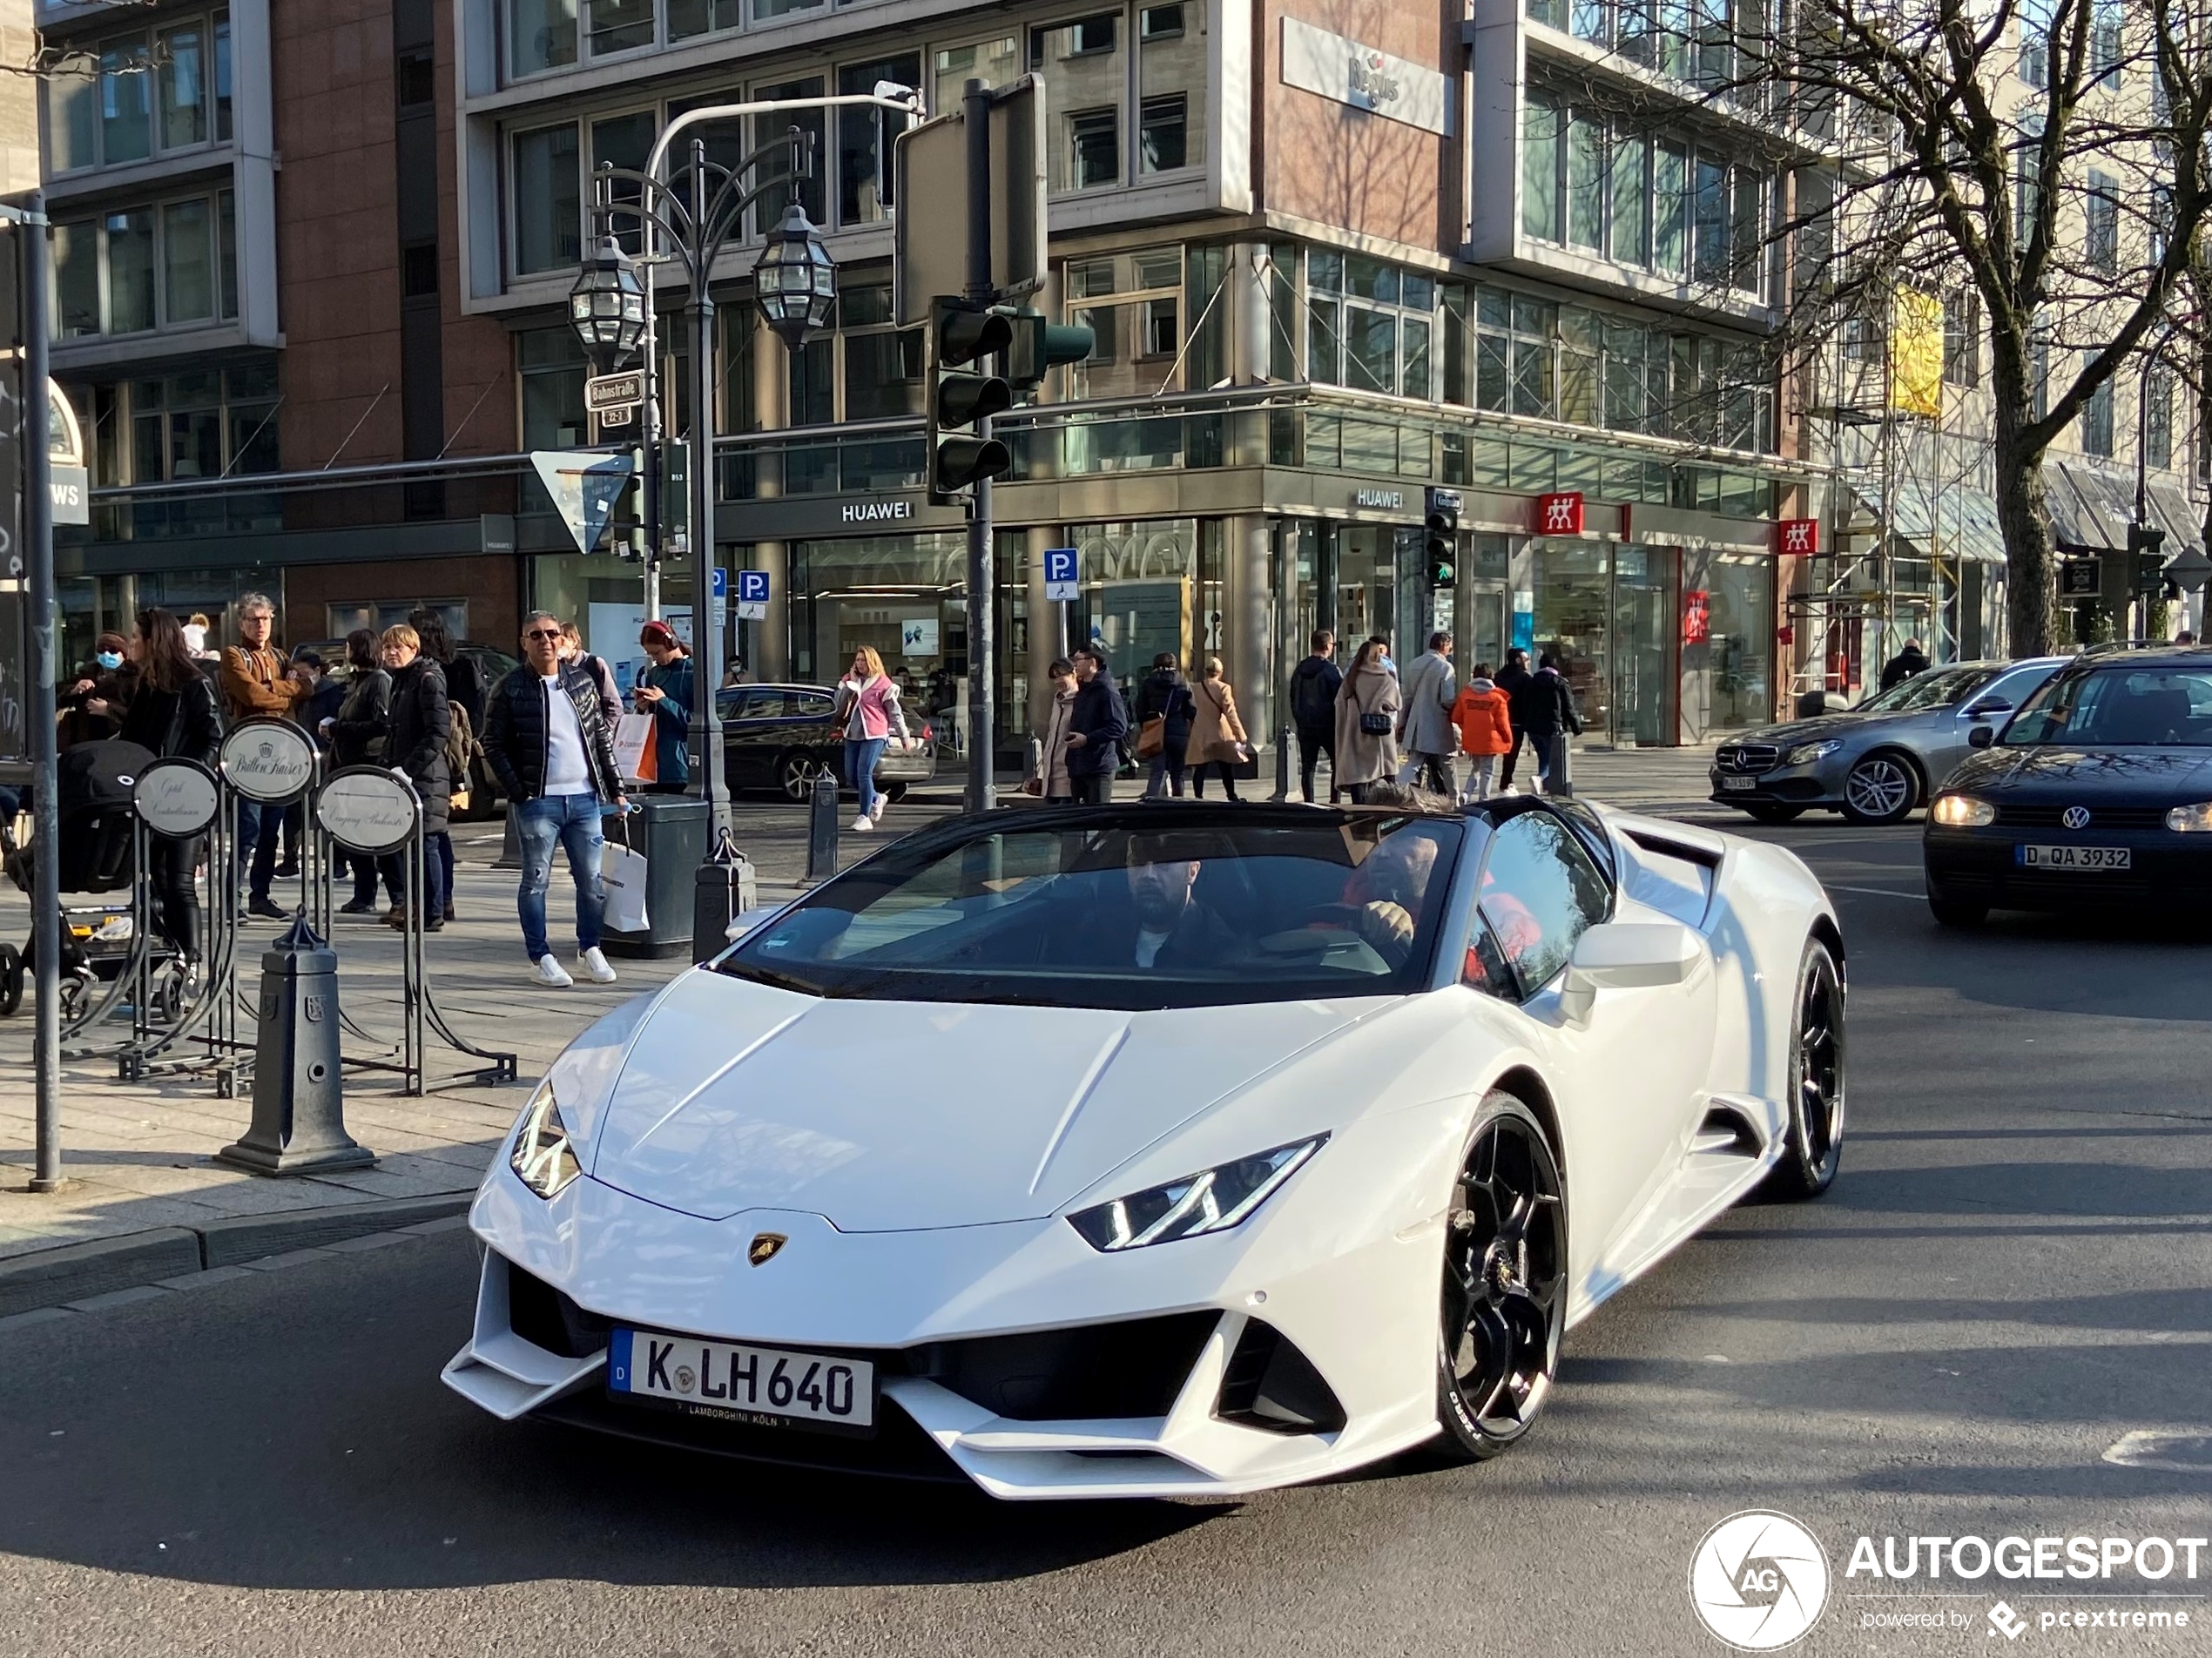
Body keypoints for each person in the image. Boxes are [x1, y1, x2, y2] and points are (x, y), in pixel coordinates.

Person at [482, 611, 625, 987]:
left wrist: (617, 787)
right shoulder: (509, 687)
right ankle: (540, 956)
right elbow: (493, 743)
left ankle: (589, 948)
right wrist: (518, 791)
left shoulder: (581, 682)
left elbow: (600, 740)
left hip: (584, 799)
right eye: (536, 635)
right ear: (524, 641)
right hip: (538, 801)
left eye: (552, 634)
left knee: (592, 883)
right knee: (535, 880)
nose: (546, 640)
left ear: (562, 639)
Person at [117, 609, 222, 967]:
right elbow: (132, 738)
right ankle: (167, 952)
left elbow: (214, 737)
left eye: (135, 636)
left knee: (179, 883)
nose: (131, 643)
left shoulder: (193, 683)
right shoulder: (147, 685)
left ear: (153, 641)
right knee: (157, 883)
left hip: (183, 797)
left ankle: (190, 959)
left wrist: (185, 774)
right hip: (148, 795)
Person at [219, 591, 311, 919]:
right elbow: (252, 696)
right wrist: (284, 690)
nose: (260, 625)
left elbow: (308, 686)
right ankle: (231, 900)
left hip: (283, 756)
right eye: (254, 619)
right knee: (248, 829)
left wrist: (277, 688)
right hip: (249, 755)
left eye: (266, 618)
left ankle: (260, 895)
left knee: (272, 830)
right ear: (242, 622)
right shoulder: (233, 656)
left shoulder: (282, 656)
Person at [374, 624, 451, 933]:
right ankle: (418, 909)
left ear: (414, 650)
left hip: (425, 777)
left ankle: (432, 913)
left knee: (426, 844)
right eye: (388, 647)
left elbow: (438, 732)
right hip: (406, 776)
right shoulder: (403, 680)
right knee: (410, 846)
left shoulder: (427, 680)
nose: (392, 653)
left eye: (399, 648)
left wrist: (408, 767)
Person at [325, 630, 401, 916]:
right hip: (349, 767)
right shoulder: (356, 681)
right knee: (355, 834)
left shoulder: (379, 681)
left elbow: (381, 724)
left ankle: (398, 896)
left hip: (369, 767)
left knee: (378, 835)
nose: (345, 651)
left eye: (347, 646)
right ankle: (363, 893)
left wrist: (337, 728)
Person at [1096, 837, 1238, 969]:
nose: (1148, 875)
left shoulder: (1220, 950)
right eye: (1138, 863)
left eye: (1163, 863)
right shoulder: (1098, 932)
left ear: (1192, 872)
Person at [834, 646, 909, 832]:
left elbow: (895, 713)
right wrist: (850, 684)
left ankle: (864, 816)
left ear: (872, 662)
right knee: (851, 777)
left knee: (864, 772)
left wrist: (904, 735)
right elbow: (838, 702)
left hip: (875, 734)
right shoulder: (849, 679)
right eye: (858, 660)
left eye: (863, 660)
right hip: (852, 733)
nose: (860, 664)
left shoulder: (883, 683)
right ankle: (877, 798)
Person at [1332, 637, 1403, 804]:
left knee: (1359, 773)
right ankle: (1387, 809)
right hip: (1380, 735)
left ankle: (1359, 810)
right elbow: (1396, 703)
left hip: (1355, 731)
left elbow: (1338, 704)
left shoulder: (1351, 679)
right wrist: (1378, 706)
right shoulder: (1386, 678)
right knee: (1386, 773)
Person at [1063, 645, 1129, 805]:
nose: (1075, 665)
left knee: (1097, 817)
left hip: (1099, 765)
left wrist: (1088, 739)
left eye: (1078, 660)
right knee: (1078, 818)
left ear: (1092, 662)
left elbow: (1118, 726)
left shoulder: (1106, 690)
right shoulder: (1083, 690)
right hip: (1078, 764)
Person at [633, 620, 694, 792]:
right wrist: (642, 707)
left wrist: (664, 701)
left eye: (657, 652)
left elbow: (694, 721)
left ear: (672, 643)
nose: (654, 658)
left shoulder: (692, 673)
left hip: (678, 764)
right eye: (650, 654)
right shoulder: (655, 673)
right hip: (652, 765)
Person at [1396, 630, 1459, 796]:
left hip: (1416, 721)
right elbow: (1447, 699)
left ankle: (1396, 788)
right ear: (1444, 645)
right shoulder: (1445, 667)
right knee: (1448, 762)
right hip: (1438, 722)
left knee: (1415, 761)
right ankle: (1454, 798)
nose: (1450, 650)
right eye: (1450, 647)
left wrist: (1402, 723)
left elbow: (1407, 696)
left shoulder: (1414, 664)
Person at [1287, 630, 1343, 804]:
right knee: (1337, 765)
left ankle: (1309, 802)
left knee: (1308, 768)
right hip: (1328, 725)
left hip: (1306, 726)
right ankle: (1335, 802)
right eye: (1333, 644)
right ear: (1327, 646)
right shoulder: (1331, 670)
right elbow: (1340, 697)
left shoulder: (1299, 670)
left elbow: (1293, 696)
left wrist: (1300, 718)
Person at [1133, 651, 1196, 799]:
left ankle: (1151, 805)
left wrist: (1148, 725)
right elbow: (1192, 711)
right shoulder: (1183, 683)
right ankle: (1178, 805)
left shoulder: (1148, 683)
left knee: (1157, 772)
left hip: (1156, 733)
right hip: (1179, 733)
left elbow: (1140, 710)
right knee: (1178, 773)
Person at [1186, 656, 1249, 801]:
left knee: (1200, 766)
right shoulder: (1224, 688)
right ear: (1220, 672)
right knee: (1225, 766)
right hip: (1221, 731)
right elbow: (1230, 712)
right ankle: (1231, 795)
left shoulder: (1195, 688)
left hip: (1201, 731)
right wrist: (1240, 734)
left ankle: (1198, 796)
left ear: (1205, 671)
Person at [1451, 663, 1515, 803]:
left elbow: (1456, 717)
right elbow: (1503, 724)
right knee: (1487, 771)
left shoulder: (1465, 695)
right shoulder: (1497, 698)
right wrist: (1508, 740)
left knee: (1476, 768)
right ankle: (1484, 799)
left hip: (1472, 738)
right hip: (1490, 740)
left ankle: (1467, 793)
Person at [1522, 652, 1582, 792]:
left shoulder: (1531, 682)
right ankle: (1540, 779)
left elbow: (1524, 704)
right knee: (1551, 760)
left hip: (1533, 728)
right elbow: (1569, 708)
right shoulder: (1560, 683)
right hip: (1552, 727)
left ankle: (1543, 786)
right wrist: (1576, 728)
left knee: (1544, 758)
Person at [60, 631, 133, 748]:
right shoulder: (87, 673)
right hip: (84, 740)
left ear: (123, 654)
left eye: (113, 651)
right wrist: (74, 690)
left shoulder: (133, 678)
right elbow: (58, 696)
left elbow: (137, 715)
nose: (106, 654)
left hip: (117, 742)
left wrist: (109, 709)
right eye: (102, 650)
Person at [1035, 657, 1080, 801]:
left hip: (1069, 773)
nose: (1057, 681)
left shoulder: (1081, 700)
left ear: (1073, 674)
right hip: (1051, 774)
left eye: (1062, 675)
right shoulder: (1057, 700)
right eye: (1054, 677)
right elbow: (1052, 736)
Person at [557, 622, 622, 713]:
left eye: (562, 641)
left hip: (594, 724)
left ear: (574, 641)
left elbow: (613, 704)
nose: (559, 645)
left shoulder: (595, 664)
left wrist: (606, 727)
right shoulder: (557, 667)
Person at [1495, 648, 1535, 792]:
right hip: (1517, 721)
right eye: (1526, 659)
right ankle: (1506, 780)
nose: (1528, 662)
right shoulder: (1525, 679)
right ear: (1518, 660)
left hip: (1500, 720)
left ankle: (1506, 780)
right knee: (1512, 753)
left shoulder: (1499, 676)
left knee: (1504, 753)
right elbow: (1529, 702)